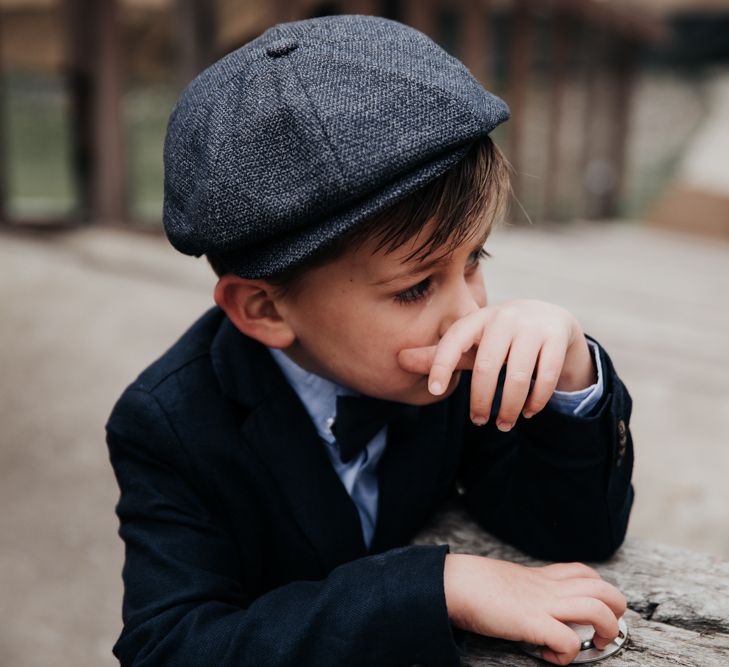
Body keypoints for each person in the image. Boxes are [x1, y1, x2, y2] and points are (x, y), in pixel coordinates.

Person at [105, 14, 634, 667]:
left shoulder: (454, 361)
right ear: (265, 308)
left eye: (474, 258)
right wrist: (431, 585)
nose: (466, 313)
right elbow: (168, 647)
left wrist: (570, 378)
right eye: (415, 287)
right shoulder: (168, 425)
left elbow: (577, 530)